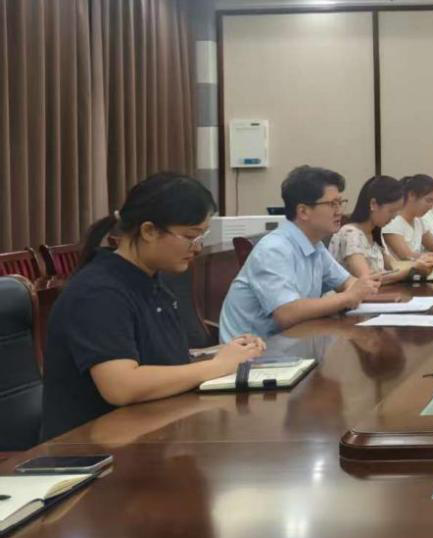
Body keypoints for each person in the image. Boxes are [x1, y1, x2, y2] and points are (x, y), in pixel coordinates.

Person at [40, 173, 266, 440]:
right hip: (89, 448)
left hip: (146, 431)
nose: (197, 248)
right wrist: (217, 366)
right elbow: (121, 386)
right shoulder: (98, 292)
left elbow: (164, 359)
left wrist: (224, 353)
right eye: (190, 236)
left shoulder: (151, 281)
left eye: (201, 236)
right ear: (148, 231)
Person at [219, 165, 380, 342]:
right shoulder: (273, 249)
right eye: (332, 204)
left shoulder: (316, 245)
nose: (339, 211)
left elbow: (348, 283)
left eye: (340, 203)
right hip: (251, 352)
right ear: (303, 211)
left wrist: (356, 290)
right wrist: (347, 297)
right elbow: (287, 313)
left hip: (293, 343)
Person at [329, 175, 419, 283]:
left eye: (397, 211)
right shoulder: (350, 233)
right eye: (391, 211)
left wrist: (419, 265)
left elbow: (394, 265)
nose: (394, 216)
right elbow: (368, 279)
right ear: (373, 204)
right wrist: (410, 271)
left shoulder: (375, 232)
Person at [380, 174, 433, 272]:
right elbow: (407, 256)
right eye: (428, 200)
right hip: (403, 274)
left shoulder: (419, 220)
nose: (431, 207)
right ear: (411, 195)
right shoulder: (392, 222)